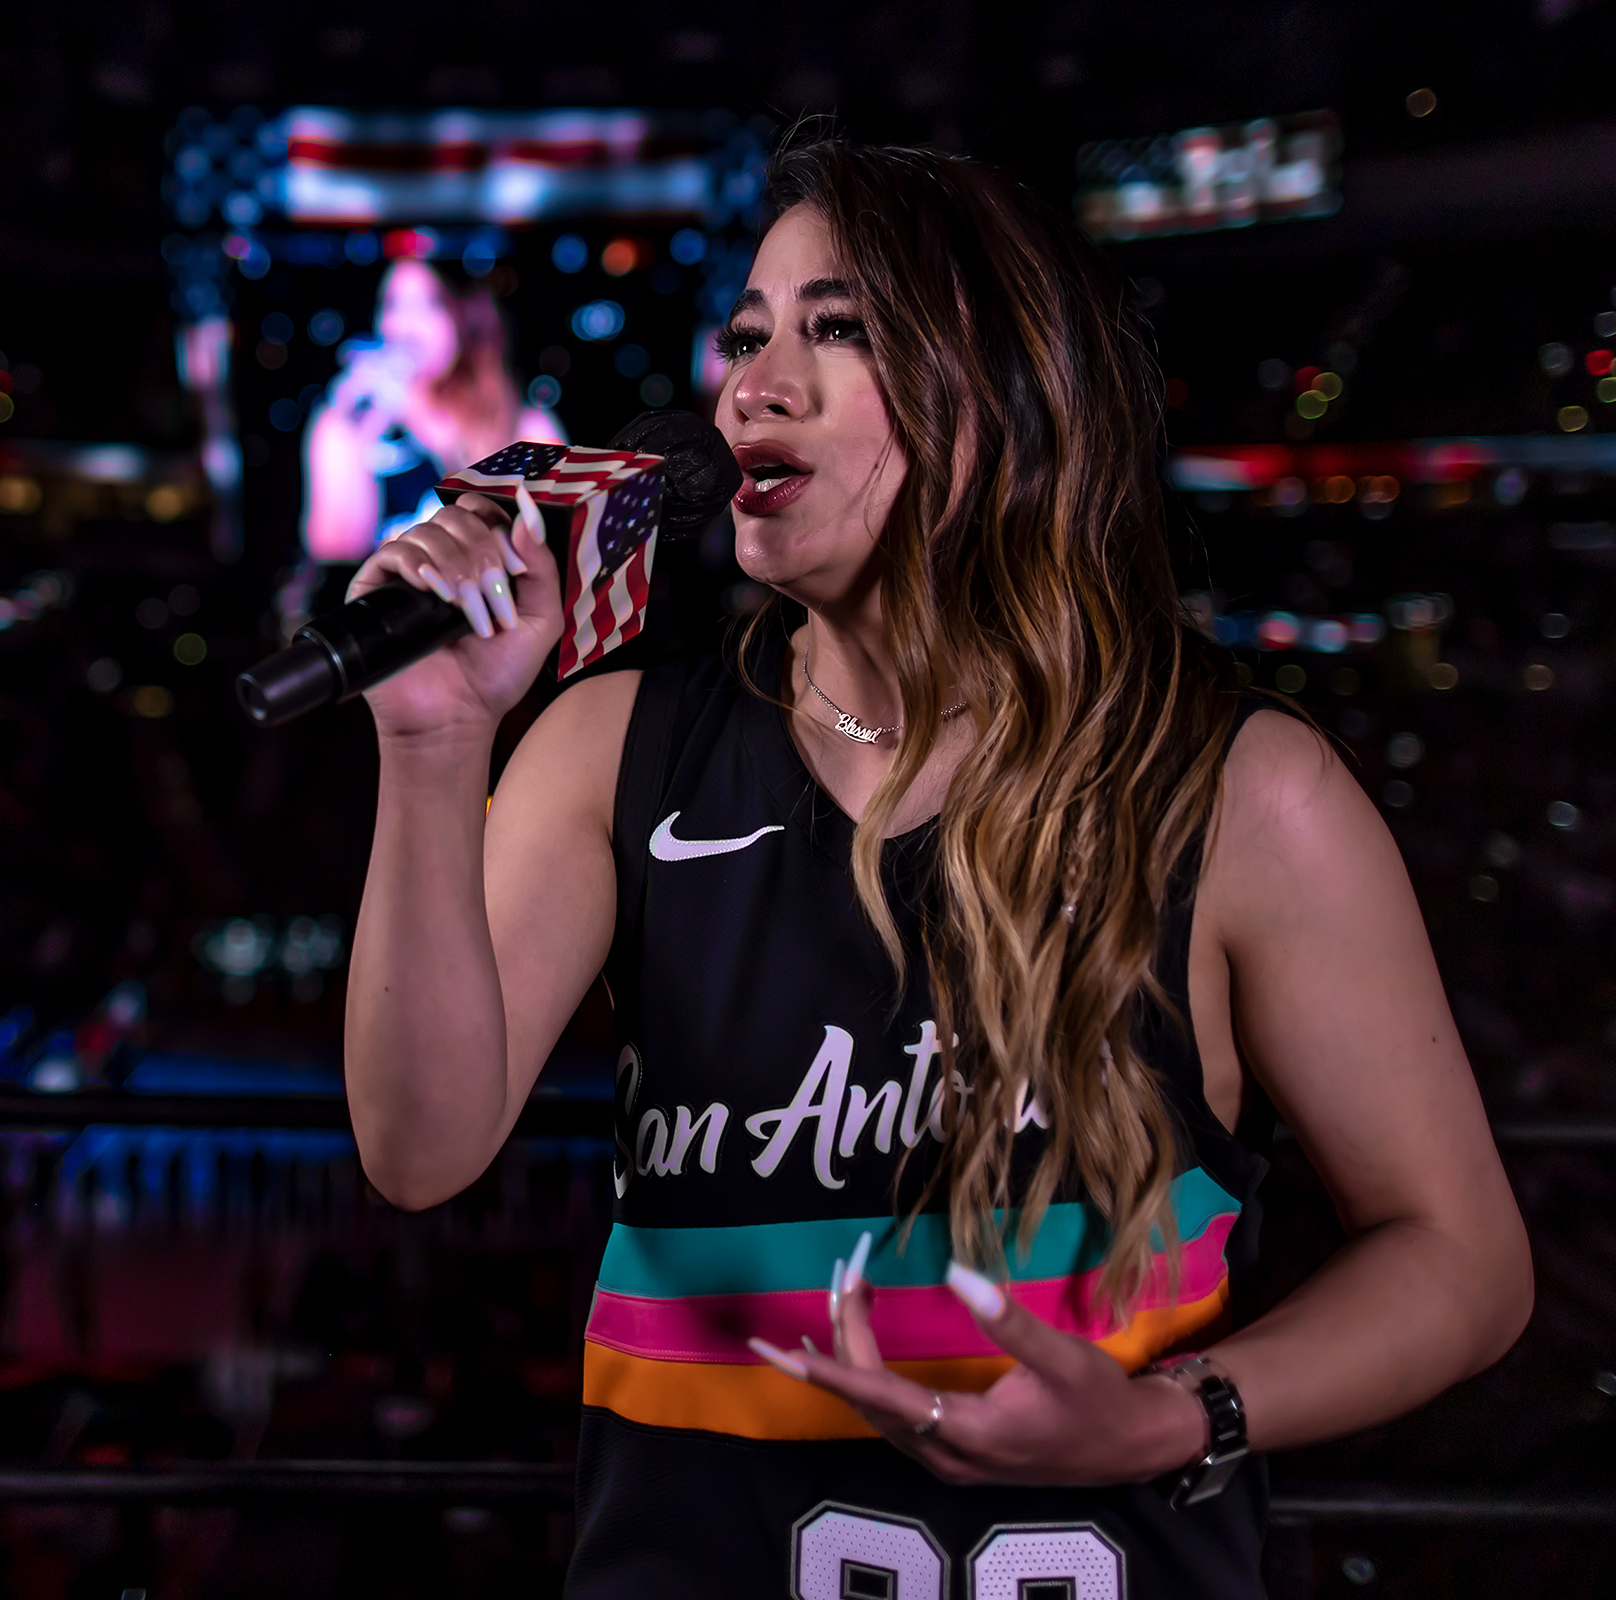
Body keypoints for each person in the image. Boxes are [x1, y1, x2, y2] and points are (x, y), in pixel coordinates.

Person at [339, 139, 1533, 1598]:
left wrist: (1181, 1414)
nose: (752, 388)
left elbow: (1462, 1260)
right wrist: (434, 744)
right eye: (747, 337)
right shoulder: (610, 751)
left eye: (839, 329)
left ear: (1003, 397)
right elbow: (417, 1151)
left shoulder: (1238, 793)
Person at [301, 257, 563, 561]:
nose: (406, 326)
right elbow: (335, 548)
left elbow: (555, 543)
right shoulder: (351, 420)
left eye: (430, 304)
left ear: (466, 313)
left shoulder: (526, 426)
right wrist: (351, 436)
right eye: (393, 305)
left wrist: (425, 421)